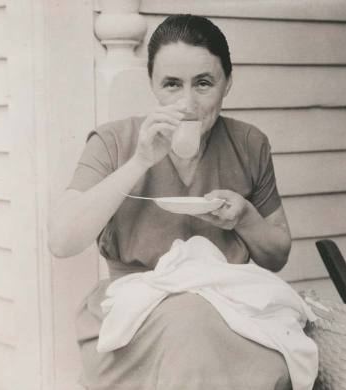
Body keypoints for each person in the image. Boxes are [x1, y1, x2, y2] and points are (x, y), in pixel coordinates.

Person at [48, 14, 296, 390]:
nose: (187, 102)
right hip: (133, 317)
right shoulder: (115, 140)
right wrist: (141, 160)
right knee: (191, 325)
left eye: (203, 83)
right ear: (151, 85)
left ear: (228, 83)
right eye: (171, 85)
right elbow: (61, 240)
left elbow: (276, 255)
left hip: (228, 307)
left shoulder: (249, 144)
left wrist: (246, 219)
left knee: (246, 333)